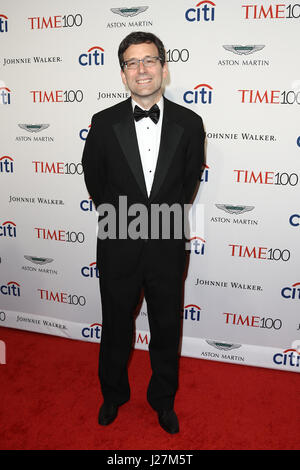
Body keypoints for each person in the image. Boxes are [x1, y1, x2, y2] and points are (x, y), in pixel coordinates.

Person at [82, 31, 205, 434]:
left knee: (167, 327)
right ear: (123, 74)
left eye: (149, 60)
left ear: (164, 67)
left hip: (168, 243)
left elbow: (187, 184)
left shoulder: (190, 123)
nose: (142, 69)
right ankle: (112, 395)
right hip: (118, 241)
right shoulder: (103, 123)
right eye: (132, 63)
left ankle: (162, 400)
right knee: (116, 325)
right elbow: (95, 183)